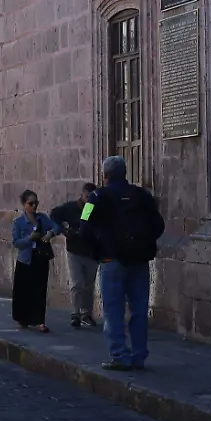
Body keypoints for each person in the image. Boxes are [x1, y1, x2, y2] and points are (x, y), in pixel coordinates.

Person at [81, 155, 164, 372]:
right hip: (139, 260)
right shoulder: (142, 195)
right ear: (125, 173)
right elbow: (159, 225)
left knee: (113, 311)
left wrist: (98, 250)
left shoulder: (95, 197)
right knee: (138, 309)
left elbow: (83, 226)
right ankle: (139, 356)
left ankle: (119, 355)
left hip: (111, 260)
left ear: (105, 175)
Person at [50, 182, 99, 330]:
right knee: (78, 283)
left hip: (91, 252)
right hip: (74, 250)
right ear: (82, 194)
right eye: (86, 196)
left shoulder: (95, 208)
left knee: (89, 285)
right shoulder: (71, 207)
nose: (88, 199)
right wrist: (65, 230)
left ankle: (86, 314)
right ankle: (76, 313)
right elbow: (54, 214)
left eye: (91, 197)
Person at [10, 190, 58, 332]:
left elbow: (56, 226)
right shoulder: (18, 222)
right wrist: (29, 238)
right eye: (31, 203)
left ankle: (40, 321)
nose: (34, 205)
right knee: (23, 291)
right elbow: (16, 242)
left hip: (40, 257)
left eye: (36, 202)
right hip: (25, 259)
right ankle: (23, 318)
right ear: (24, 204)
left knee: (40, 290)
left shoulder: (42, 218)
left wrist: (50, 233)